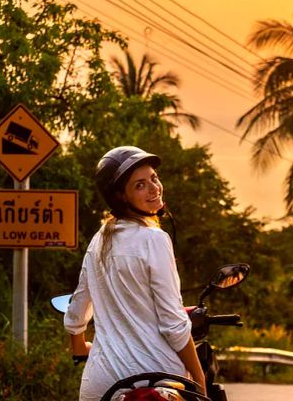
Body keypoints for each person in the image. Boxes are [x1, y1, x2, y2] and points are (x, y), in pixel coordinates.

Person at [64, 146, 206, 400]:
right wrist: (199, 377)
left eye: (153, 178)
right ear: (121, 197)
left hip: (100, 384)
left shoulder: (98, 241)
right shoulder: (154, 239)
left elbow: (77, 310)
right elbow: (173, 324)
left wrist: (80, 347)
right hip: (157, 381)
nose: (154, 188)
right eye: (140, 185)